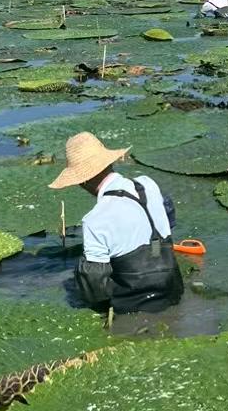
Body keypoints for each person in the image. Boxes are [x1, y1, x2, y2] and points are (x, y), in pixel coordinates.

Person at [49, 132, 183, 315]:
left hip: (135, 305)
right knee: (155, 246)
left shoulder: (94, 220)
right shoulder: (147, 184)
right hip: (173, 290)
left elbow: (95, 287)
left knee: (84, 271)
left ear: (82, 180)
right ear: (109, 163)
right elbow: (170, 220)